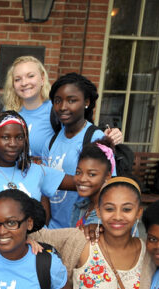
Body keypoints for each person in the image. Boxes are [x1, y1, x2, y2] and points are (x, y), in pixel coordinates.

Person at [0, 111, 74, 222]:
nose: (13, 144)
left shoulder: (36, 170)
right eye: (5, 137)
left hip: (36, 238)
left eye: (19, 137)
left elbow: (82, 182)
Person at [43, 73, 107, 229]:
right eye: (58, 101)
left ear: (86, 102)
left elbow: (107, 188)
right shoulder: (51, 142)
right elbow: (43, 186)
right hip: (54, 230)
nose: (63, 107)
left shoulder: (95, 138)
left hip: (81, 230)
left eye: (72, 100)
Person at [71, 137, 115, 228]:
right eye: (78, 172)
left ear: (107, 176)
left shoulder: (111, 215)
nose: (82, 179)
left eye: (91, 174)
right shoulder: (82, 205)